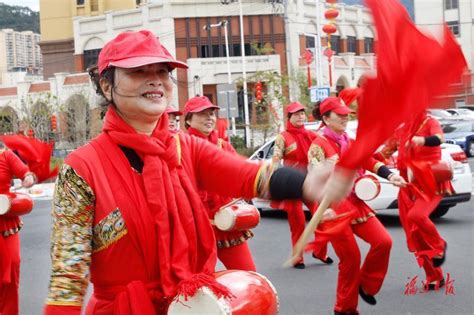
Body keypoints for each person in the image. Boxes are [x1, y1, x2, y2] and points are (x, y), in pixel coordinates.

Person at [44, 30, 334, 315]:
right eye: (138, 71)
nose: (156, 79)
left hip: (193, 305)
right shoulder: (81, 168)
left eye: (162, 71)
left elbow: (250, 177)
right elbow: (67, 277)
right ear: (107, 87)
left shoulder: (187, 148)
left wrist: (307, 182)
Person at [308, 97, 404, 315]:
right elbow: (314, 179)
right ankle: (345, 309)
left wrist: (391, 175)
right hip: (330, 207)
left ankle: (366, 285)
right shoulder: (318, 146)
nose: (344, 117)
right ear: (325, 118)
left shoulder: (349, 141)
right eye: (339, 114)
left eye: (346, 114)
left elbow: (368, 160)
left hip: (355, 203)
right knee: (350, 258)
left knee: (383, 241)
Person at [377, 112, 450, 291]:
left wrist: (422, 141)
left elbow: (439, 138)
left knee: (417, 215)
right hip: (407, 186)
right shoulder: (401, 130)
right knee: (415, 234)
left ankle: (439, 245)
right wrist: (365, 160)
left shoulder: (430, 121)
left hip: (429, 181)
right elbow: (383, 154)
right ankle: (434, 275)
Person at [183, 95, 256, 271]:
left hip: (226, 223)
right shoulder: (181, 148)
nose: (209, 118)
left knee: (249, 276)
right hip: (196, 228)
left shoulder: (223, 146)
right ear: (188, 120)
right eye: (202, 114)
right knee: (200, 286)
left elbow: (240, 174)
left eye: (212, 114)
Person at [271, 102, 330, 269]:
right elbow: (276, 159)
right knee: (297, 222)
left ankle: (320, 252)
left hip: (309, 183)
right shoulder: (282, 137)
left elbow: (323, 151)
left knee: (321, 218)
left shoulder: (311, 135)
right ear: (289, 118)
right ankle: (298, 257)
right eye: (296, 114)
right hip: (291, 185)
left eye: (302, 113)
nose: (300, 117)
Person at [0, 144, 36, 315]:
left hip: (6, 221)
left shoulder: (6, 156)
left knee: (12, 271)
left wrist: (28, 179)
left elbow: (26, 174)